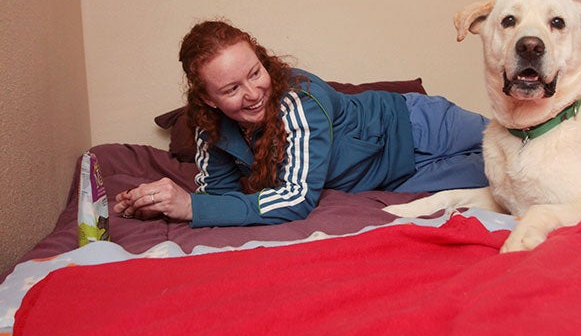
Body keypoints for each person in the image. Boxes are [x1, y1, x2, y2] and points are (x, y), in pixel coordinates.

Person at [114, 20, 490, 227]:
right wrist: (169, 204)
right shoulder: (208, 125)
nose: (252, 93)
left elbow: (296, 199)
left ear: (264, 61)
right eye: (231, 89)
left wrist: (191, 208)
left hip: (419, 123)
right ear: (208, 99)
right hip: (401, 174)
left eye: (255, 72)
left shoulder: (297, 97)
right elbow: (220, 199)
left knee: (525, 142)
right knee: (502, 183)